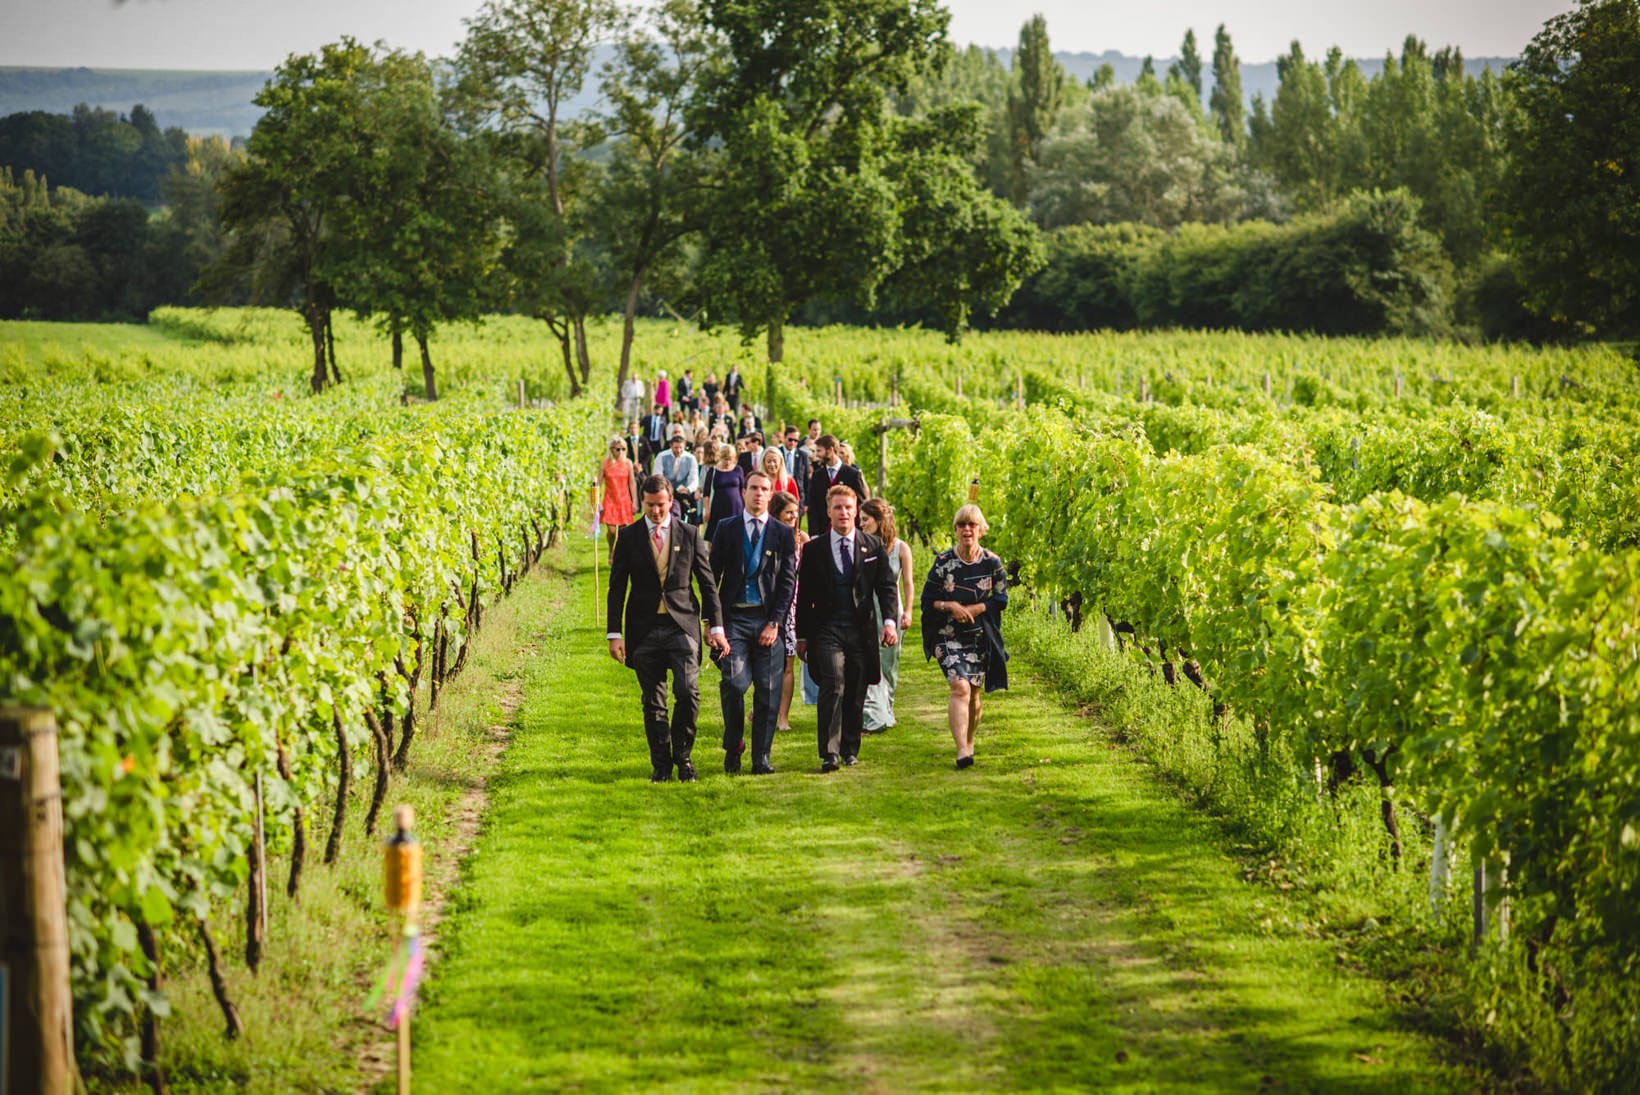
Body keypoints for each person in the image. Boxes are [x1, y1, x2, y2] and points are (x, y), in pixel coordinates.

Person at [607, 476, 730, 781]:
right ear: (643, 503)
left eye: (661, 505)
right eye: (650, 505)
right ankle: (661, 765)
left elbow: (707, 583)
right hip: (644, 629)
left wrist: (716, 627)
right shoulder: (629, 536)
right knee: (654, 702)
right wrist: (614, 634)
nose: (656, 511)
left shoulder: (689, 534)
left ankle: (683, 756)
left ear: (670, 502)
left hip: (682, 626)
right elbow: (617, 587)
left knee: (688, 692)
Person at [795, 486, 899, 772]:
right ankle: (829, 752)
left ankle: (850, 747)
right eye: (838, 508)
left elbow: (887, 588)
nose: (844, 513)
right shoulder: (814, 549)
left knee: (855, 687)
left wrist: (889, 621)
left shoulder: (872, 547)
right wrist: (802, 635)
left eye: (848, 508)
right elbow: (803, 596)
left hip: (860, 629)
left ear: (856, 511)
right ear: (828, 511)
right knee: (834, 682)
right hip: (827, 629)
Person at [709, 470, 798, 775]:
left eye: (764, 489)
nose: (758, 494)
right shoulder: (726, 528)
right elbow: (712, 578)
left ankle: (761, 757)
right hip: (734, 618)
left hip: (766, 620)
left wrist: (775, 623)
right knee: (733, 684)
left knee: (768, 690)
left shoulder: (783, 534)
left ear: (770, 495)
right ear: (743, 492)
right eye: (753, 488)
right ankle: (734, 745)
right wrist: (713, 623)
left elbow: (787, 583)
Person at [920, 504, 1009, 770]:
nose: (967, 530)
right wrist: (950, 606)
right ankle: (961, 751)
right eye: (961, 525)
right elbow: (928, 599)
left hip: (980, 636)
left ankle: (969, 741)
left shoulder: (992, 562)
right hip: (947, 635)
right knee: (960, 686)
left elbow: (1001, 598)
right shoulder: (944, 562)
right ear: (956, 530)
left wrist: (976, 608)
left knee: (975, 694)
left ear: (981, 529)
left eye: (972, 525)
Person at [859, 498, 913, 733]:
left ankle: (887, 708)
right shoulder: (863, 544)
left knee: (889, 663)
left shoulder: (901, 548)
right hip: (867, 608)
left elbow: (909, 583)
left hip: (891, 609)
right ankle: (871, 713)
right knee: (868, 661)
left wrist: (909, 611)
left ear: (879, 520)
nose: (861, 524)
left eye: (865, 520)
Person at [768, 491, 809, 733]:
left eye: (795, 511)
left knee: (788, 664)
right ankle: (764, 707)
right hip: (771, 603)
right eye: (788, 512)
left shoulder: (802, 539)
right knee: (767, 664)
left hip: (795, 605)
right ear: (777, 514)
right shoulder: (768, 537)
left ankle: (783, 716)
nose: (793, 516)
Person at [804, 434, 867, 535]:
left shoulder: (853, 475)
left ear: (830, 450)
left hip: (848, 532)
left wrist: (859, 533)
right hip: (823, 534)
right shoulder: (817, 476)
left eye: (819, 451)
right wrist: (814, 534)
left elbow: (860, 505)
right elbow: (813, 508)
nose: (816, 455)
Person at [599, 437, 639, 555]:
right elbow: (598, 483)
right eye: (618, 449)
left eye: (623, 449)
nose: (620, 451)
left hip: (623, 500)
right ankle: (611, 549)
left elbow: (632, 482)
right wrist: (597, 501)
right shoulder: (605, 464)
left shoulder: (628, 463)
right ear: (612, 449)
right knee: (611, 531)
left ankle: (618, 554)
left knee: (622, 531)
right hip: (610, 499)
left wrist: (634, 501)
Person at [703, 441, 744, 541]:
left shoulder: (738, 469)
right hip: (718, 507)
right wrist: (707, 510)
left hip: (736, 507)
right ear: (721, 458)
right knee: (715, 536)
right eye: (725, 459)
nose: (728, 462)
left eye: (730, 459)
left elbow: (743, 489)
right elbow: (706, 492)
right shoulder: (713, 471)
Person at [654, 433, 700, 523]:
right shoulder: (661, 456)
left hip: (683, 492)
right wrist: (665, 489)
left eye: (681, 448)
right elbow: (657, 476)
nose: (678, 450)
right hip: (665, 490)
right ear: (671, 446)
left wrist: (688, 489)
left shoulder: (691, 458)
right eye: (676, 448)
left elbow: (694, 478)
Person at [781, 427, 812, 519]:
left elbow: (806, 480)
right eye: (790, 439)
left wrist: (806, 502)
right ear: (784, 438)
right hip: (781, 493)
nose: (793, 443)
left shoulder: (803, 456)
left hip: (797, 496)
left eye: (796, 440)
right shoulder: (777, 452)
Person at [639, 402, 669, 471]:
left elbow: (664, 433)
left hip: (658, 442)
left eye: (661, 410)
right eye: (658, 410)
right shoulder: (647, 418)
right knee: (647, 459)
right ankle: (648, 473)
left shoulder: (663, 420)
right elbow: (639, 426)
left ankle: (657, 473)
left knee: (658, 459)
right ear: (654, 410)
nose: (660, 412)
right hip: (648, 441)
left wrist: (666, 443)